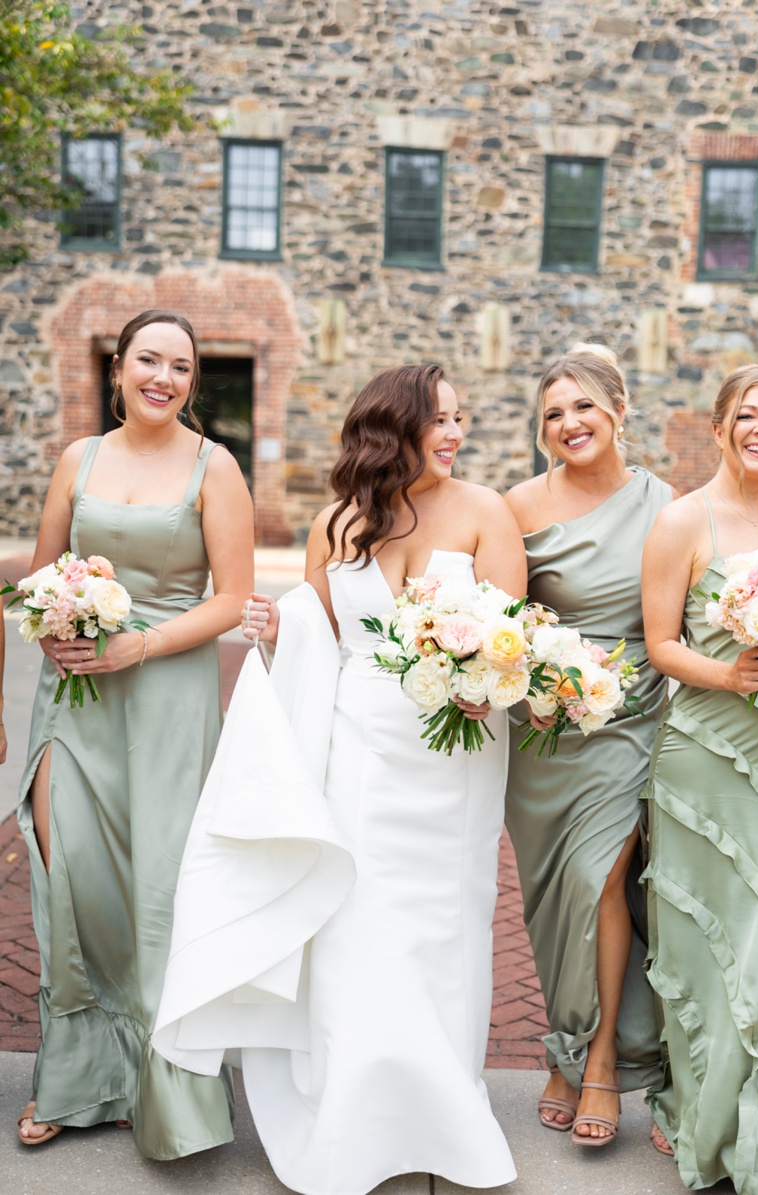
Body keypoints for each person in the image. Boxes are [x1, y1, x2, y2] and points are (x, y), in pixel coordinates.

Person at [154, 364, 524, 1194]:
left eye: (462, 419)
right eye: (443, 420)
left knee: (444, 922)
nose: (457, 434)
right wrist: (273, 621)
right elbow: (320, 632)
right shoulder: (336, 521)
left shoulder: (486, 512)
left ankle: (442, 1110)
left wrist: (481, 679)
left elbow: (514, 639)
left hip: (456, 746)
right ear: (397, 426)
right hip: (357, 743)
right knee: (356, 917)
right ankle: (354, 1111)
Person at [14, 310, 253, 1155]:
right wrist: (48, 625)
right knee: (68, 869)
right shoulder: (77, 459)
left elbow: (230, 598)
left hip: (168, 695)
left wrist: (140, 644)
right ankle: (75, 1081)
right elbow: (42, 571)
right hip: (75, 694)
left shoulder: (213, 466)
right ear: (119, 368)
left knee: (159, 889)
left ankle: (161, 1090)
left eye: (181, 366)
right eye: (148, 359)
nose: (164, 376)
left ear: (193, 380)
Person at [502, 344, 674, 1146]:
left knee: (600, 878)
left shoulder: (663, 506)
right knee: (554, 902)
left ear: (620, 406)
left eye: (582, 407)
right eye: (553, 415)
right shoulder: (518, 507)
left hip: (629, 719)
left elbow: (678, 618)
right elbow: (503, 625)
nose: (569, 424)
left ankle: (600, 1057)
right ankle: (564, 1050)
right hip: (542, 732)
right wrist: (524, 686)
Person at [639, 364, 758, 1194]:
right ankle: (704, 1118)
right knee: (708, 953)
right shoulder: (681, 520)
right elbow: (660, 643)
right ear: (720, 425)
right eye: (748, 415)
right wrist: (729, 675)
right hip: (703, 757)